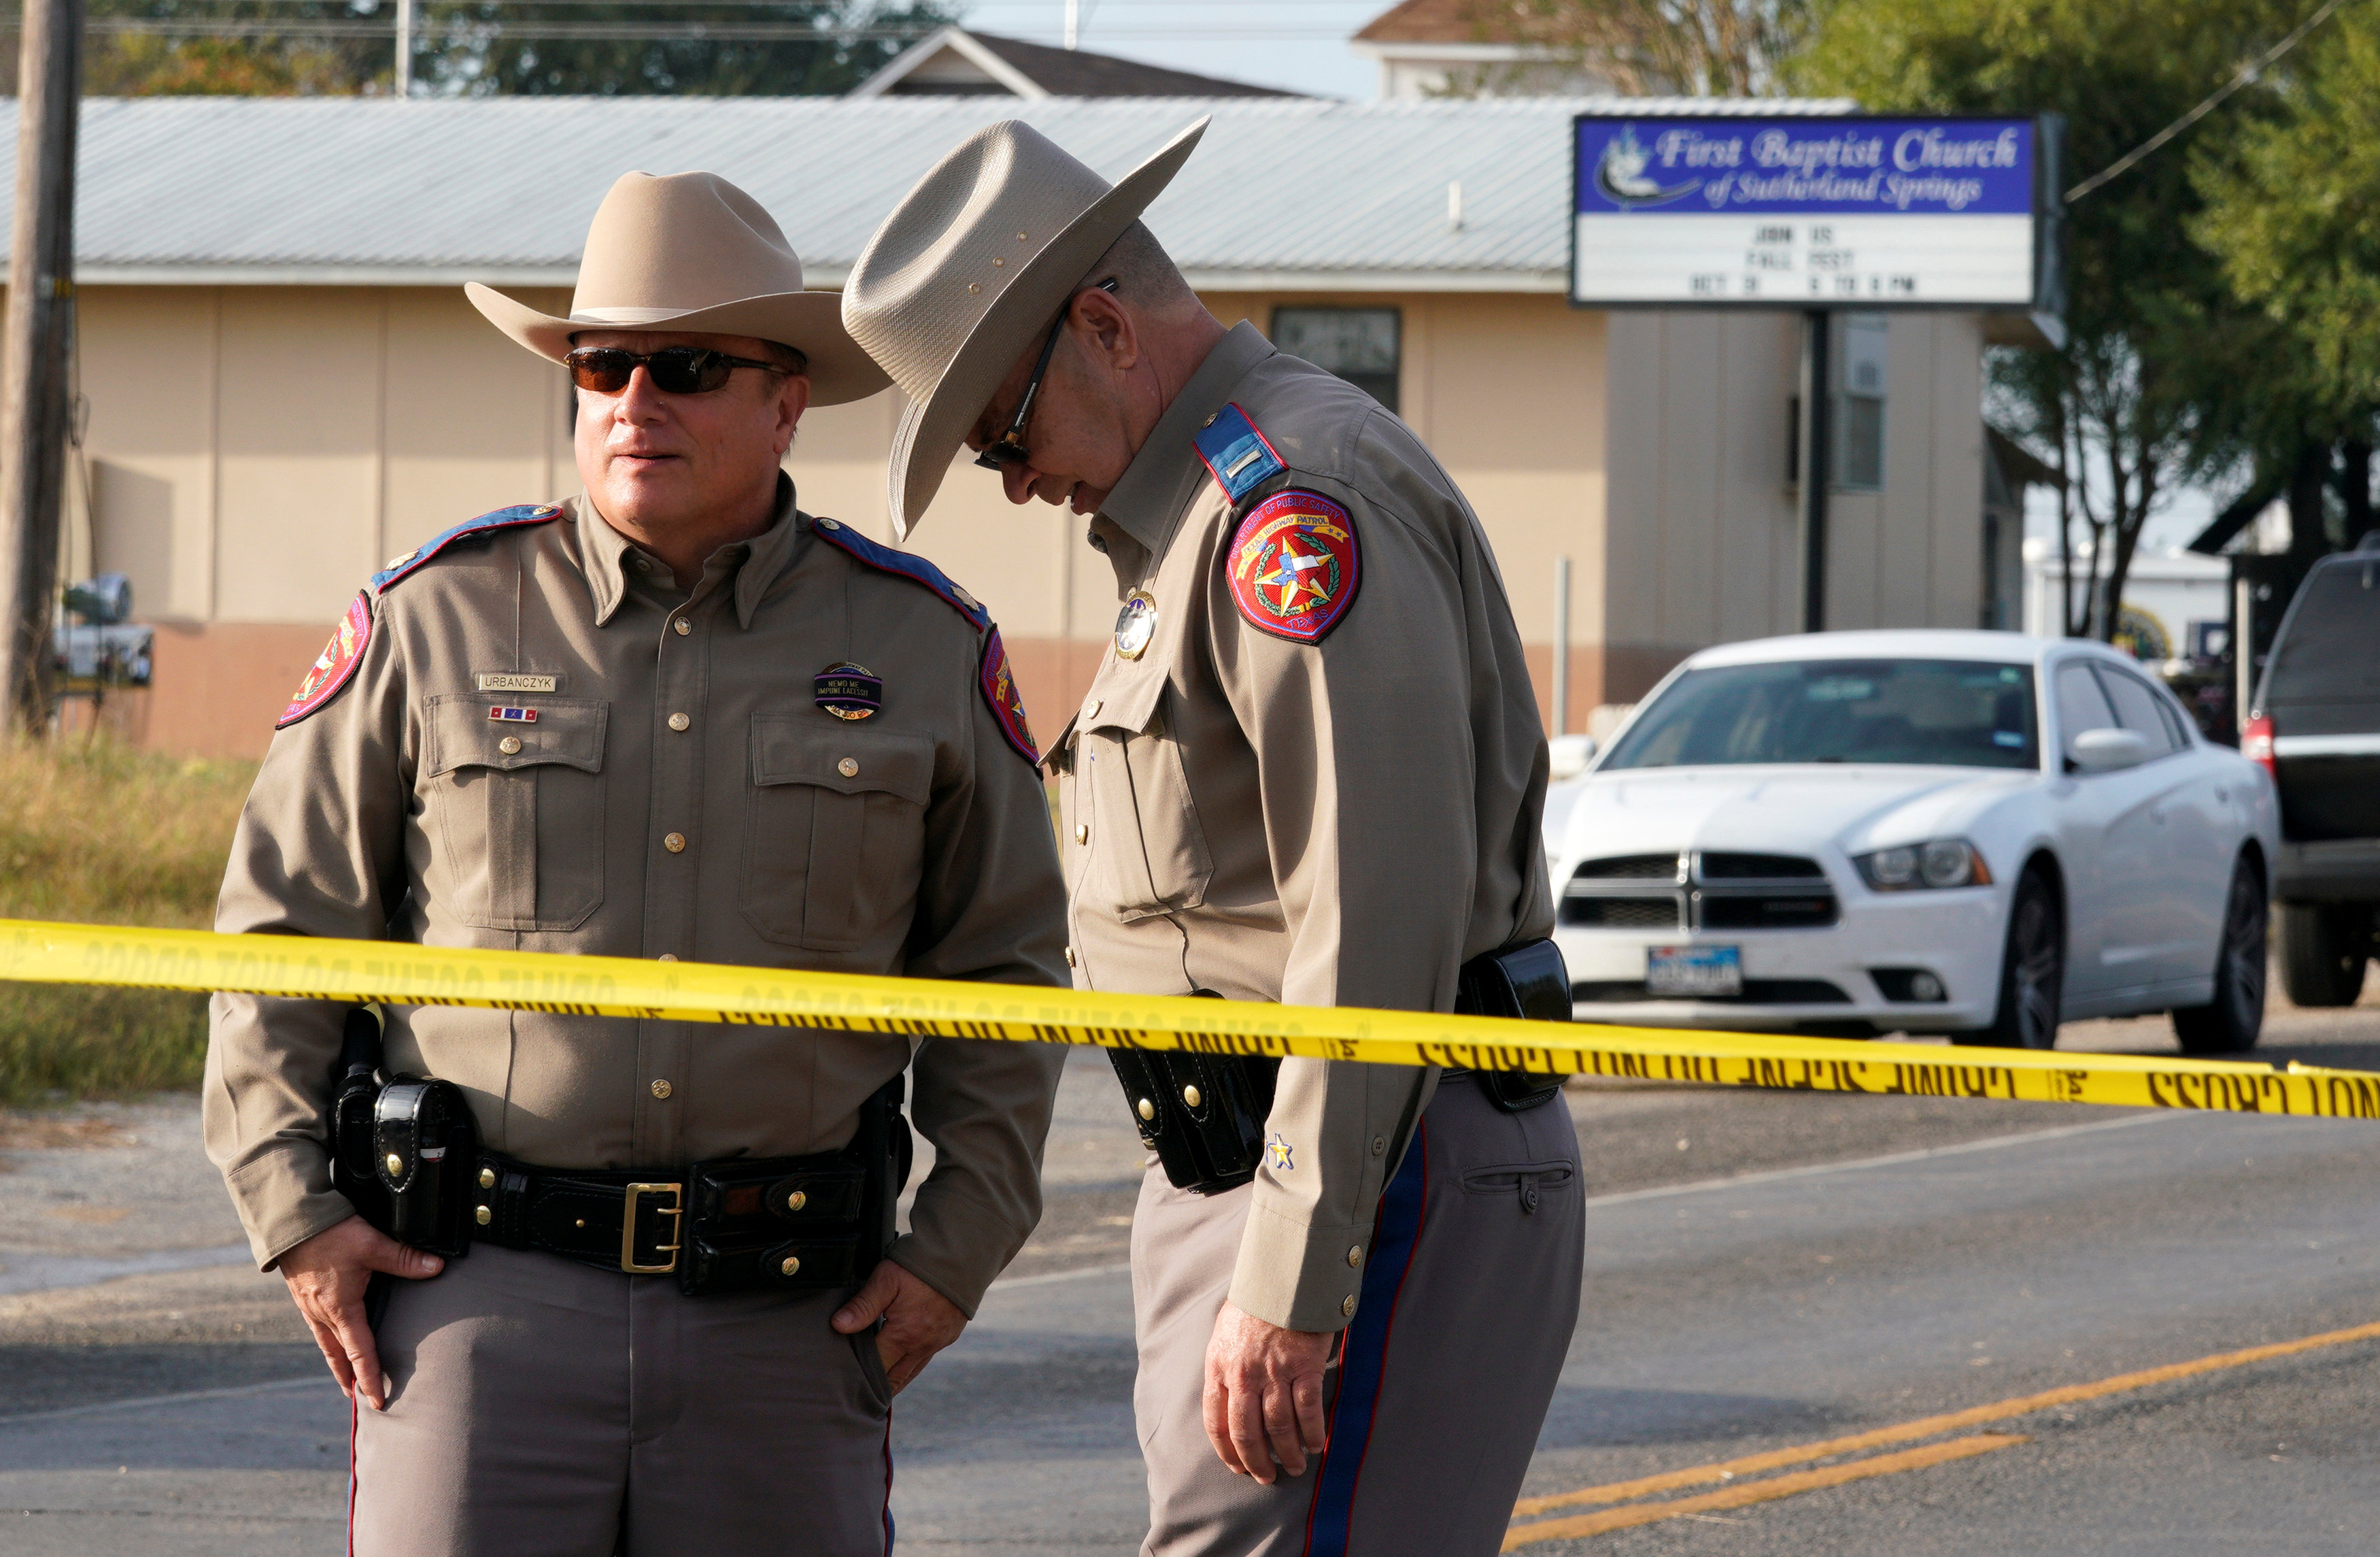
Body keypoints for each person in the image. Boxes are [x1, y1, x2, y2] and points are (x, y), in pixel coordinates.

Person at [203, 169, 1069, 1557]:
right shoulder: (432, 622)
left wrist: (955, 1249)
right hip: (481, 1304)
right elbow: (275, 934)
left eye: (685, 366)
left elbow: (1008, 973)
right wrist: (295, 1211)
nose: (632, 400)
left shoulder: (917, 647)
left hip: (786, 1320)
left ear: (788, 401)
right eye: (599, 365)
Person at [841, 120, 1586, 1556]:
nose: (1013, 480)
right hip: (1268, 1160)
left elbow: (1374, 924)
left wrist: (1297, 1272)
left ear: (1105, 328)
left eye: (1003, 430)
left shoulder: (1291, 514)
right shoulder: (1196, 517)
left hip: (1361, 1169)